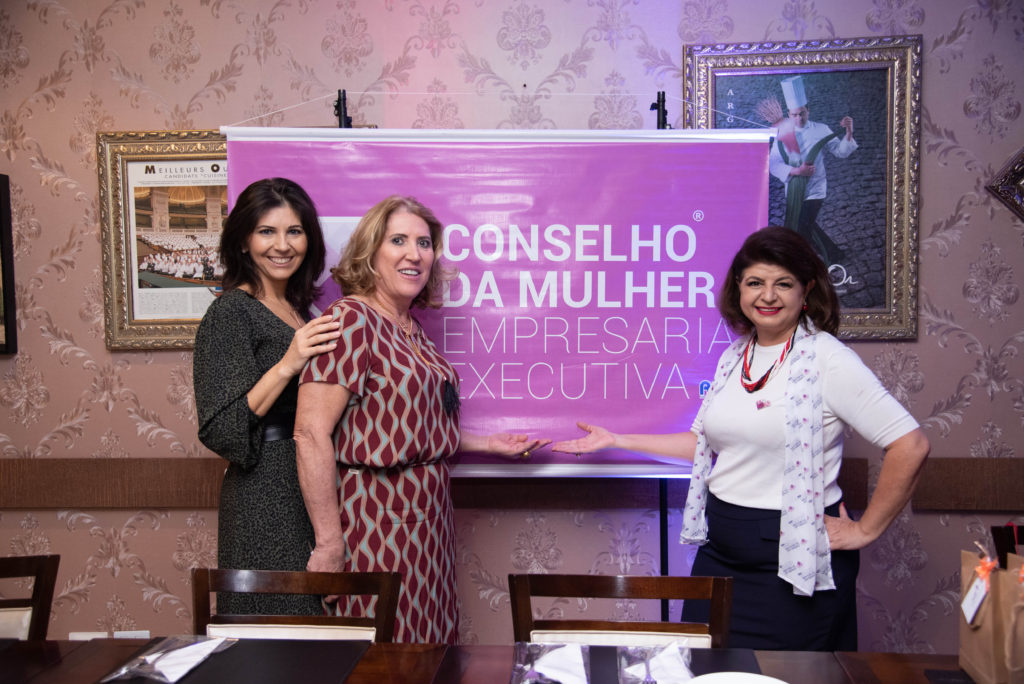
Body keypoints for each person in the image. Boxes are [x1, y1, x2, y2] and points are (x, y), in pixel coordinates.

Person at [551, 226, 929, 650]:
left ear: (806, 290)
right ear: (738, 288)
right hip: (721, 553)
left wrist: (864, 531)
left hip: (791, 557)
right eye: (755, 283)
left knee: (782, 677)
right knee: (704, 670)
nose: (767, 296)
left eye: (783, 283)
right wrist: (617, 439)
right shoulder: (736, 355)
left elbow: (910, 445)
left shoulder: (829, 359)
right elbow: (703, 446)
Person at [293, 195, 548, 644]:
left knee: (431, 652)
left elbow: (410, 426)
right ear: (370, 252)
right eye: (398, 241)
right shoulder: (351, 320)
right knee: (386, 655)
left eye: (424, 243)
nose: (415, 254)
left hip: (430, 524)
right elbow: (310, 433)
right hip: (375, 522)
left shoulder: (412, 330)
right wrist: (330, 544)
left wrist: (488, 444)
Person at [193, 178, 342, 615]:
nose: (282, 245)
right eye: (266, 232)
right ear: (243, 240)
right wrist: (288, 363)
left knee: (316, 630)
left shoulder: (300, 312)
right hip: (265, 496)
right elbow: (222, 430)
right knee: (275, 630)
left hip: (310, 486)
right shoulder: (229, 312)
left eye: (294, 231)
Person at [767, 75, 857, 267]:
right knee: (805, 224)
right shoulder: (782, 132)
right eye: (794, 115)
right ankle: (833, 254)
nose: (799, 118)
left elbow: (840, 152)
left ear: (808, 110)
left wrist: (849, 133)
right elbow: (773, 163)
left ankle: (801, 263)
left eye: (802, 113)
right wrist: (796, 171)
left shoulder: (821, 129)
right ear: (788, 114)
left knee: (802, 225)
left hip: (816, 188)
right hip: (793, 189)